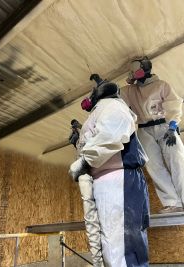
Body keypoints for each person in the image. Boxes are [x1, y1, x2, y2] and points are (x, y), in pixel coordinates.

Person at [69, 74, 149, 267]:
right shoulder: (100, 110)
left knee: (120, 249)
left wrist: (84, 161)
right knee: (112, 247)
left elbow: (112, 133)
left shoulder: (111, 105)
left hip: (118, 180)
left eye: (94, 91)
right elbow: (102, 139)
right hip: (108, 180)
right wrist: (80, 146)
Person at [121, 56, 184, 214]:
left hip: (165, 126)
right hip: (144, 129)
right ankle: (172, 203)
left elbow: (174, 105)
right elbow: (116, 96)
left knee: (177, 161)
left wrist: (173, 126)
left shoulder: (161, 85)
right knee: (154, 166)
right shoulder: (129, 91)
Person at [69, 119, 104, 267]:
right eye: (74, 127)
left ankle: (105, 260)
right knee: (90, 216)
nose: (75, 128)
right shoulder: (80, 140)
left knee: (100, 213)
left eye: (77, 125)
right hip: (84, 173)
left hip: (97, 171)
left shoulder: (94, 130)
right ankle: (97, 262)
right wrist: (75, 143)